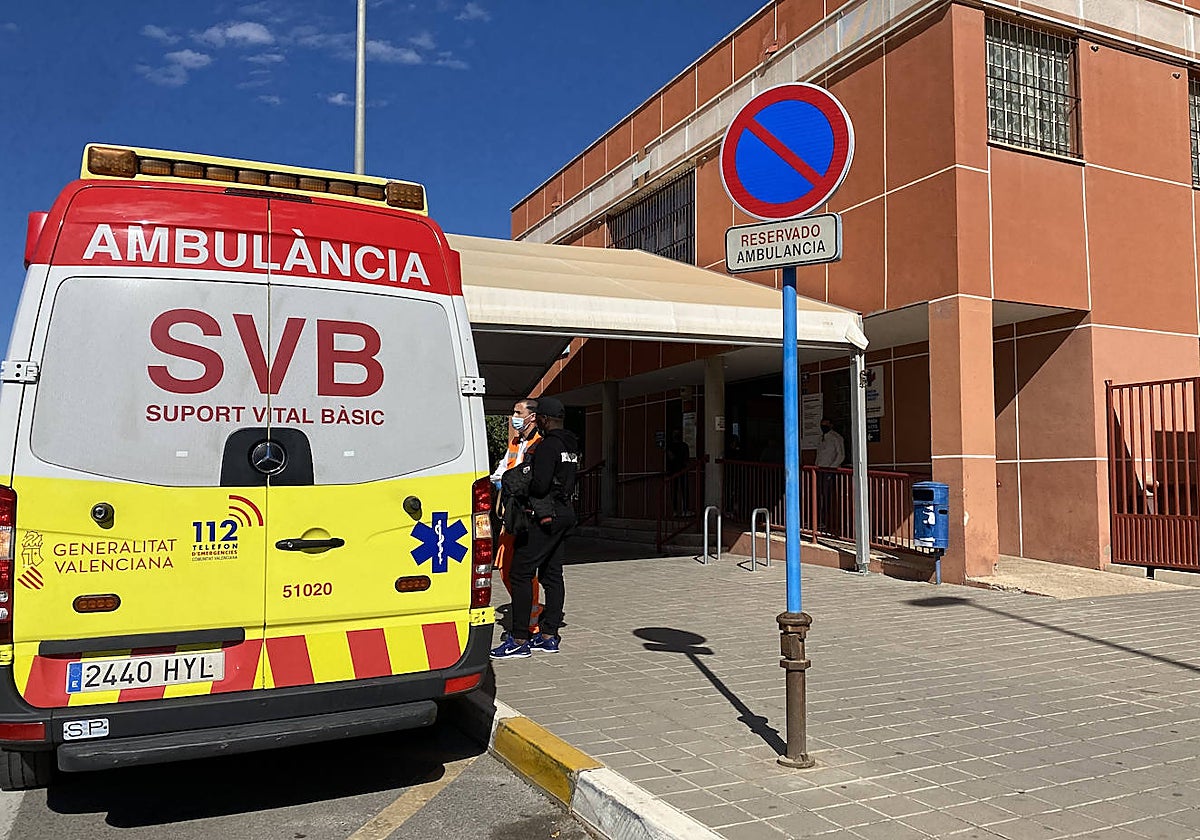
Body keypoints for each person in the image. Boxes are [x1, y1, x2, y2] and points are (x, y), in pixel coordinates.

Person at [491, 396, 580, 659]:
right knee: (552, 576)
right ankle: (549, 635)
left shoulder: (547, 446)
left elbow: (540, 485)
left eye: (539, 417)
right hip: (564, 514)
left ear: (544, 419)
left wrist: (522, 482)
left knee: (520, 573)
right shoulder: (570, 445)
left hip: (544, 516)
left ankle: (519, 639)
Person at [490, 398, 543, 636]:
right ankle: (527, 608)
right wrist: (501, 479)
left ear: (532, 416)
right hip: (510, 513)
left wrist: (508, 480)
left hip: (524, 514)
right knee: (504, 565)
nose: (514, 417)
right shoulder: (515, 442)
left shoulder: (539, 444)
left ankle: (531, 618)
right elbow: (501, 470)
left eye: (518, 412)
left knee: (522, 570)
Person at [815, 416, 845, 531]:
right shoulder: (821, 438)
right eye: (822, 425)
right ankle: (817, 520)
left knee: (827, 496)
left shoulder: (836, 438)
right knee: (818, 496)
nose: (823, 427)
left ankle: (825, 521)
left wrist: (831, 468)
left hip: (830, 471)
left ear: (831, 425)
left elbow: (841, 455)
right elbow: (819, 454)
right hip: (819, 470)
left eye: (826, 425)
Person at [664, 429, 691, 515]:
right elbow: (686, 460)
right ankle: (684, 510)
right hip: (682, 470)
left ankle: (675, 510)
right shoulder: (684, 446)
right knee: (684, 490)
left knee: (674, 491)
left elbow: (670, 458)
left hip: (674, 471)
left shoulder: (670, 447)